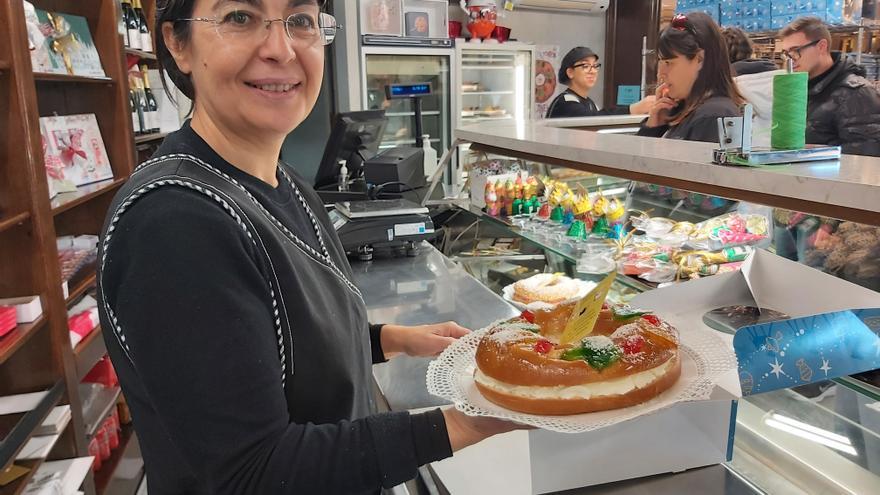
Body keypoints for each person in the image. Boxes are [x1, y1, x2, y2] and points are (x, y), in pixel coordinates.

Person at [96, 1, 519, 493]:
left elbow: (276, 350)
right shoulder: (172, 222)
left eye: (300, 21)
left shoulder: (285, 183)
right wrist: (465, 423)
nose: (280, 49)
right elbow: (254, 471)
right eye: (239, 17)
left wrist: (388, 339)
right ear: (177, 42)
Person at [779, 16, 880, 157]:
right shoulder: (801, 89)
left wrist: (813, 153)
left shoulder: (856, 93)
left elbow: (866, 154)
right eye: (786, 54)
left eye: (796, 50)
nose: (790, 60)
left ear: (821, 46)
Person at [638, 12, 744, 143]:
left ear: (699, 59)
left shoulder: (713, 116)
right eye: (660, 62)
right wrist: (654, 125)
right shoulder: (681, 111)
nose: (661, 74)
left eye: (668, 63)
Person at [545, 46, 654, 118]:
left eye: (595, 66)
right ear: (570, 72)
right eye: (585, 66)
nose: (592, 71)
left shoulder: (590, 103)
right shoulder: (565, 102)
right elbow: (593, 119)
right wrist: (633, 109)